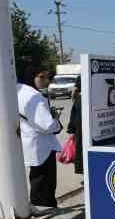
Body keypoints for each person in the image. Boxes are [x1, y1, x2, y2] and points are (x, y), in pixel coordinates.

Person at [17, 67, 62, 209]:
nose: (48, 82)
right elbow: (47, 125)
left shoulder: (18, 91)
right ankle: (44, 209)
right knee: (44, 183)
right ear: (36, 77)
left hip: (32, 143)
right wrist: (56, 122)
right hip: (42, 147)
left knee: (37, 179)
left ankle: (41, 206)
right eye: (46, 78)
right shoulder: (33, 96)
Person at [67, 76, 83, 176]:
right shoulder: (83, 99)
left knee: (80, 150)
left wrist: (71, 129)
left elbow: (73, 118)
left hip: (80, 133)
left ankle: (83, 173)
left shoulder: (78, 99)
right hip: (84, 133)